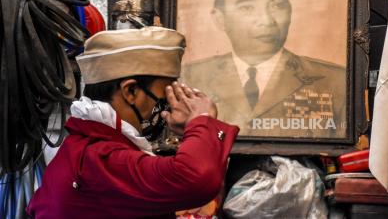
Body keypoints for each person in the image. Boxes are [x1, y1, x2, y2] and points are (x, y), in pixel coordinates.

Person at [27, 27, 239, 218]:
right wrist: (202, 120)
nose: (169, 106)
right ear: (131, 91)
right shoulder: (99, 157)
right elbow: (195, 180)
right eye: (165, 96)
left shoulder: (88, 144)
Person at [182, 0, 346, 138]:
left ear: (290, 11)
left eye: (276, 5)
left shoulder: (335, 82)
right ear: (219, 18)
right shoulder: (190, 80)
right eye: (247, 7)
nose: (266, 20)